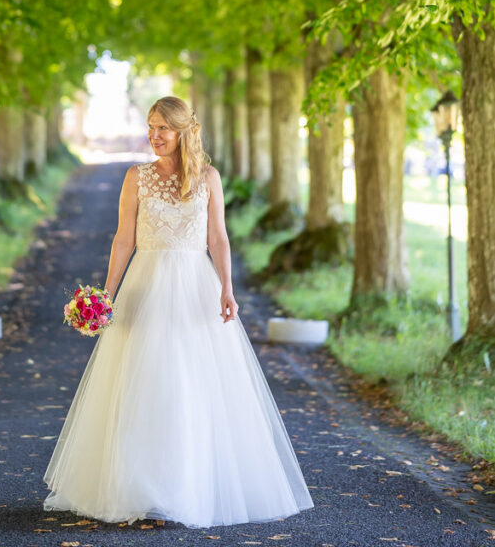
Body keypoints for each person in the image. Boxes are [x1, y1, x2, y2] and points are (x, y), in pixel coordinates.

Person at [42, 95, 314, 528]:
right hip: (146, 288)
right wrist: (105, 296)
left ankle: (184, 488)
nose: (154, 137)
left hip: (194, 289)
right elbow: (123, 240)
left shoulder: (209, 177)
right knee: (144, 384)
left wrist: (227, 287)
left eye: (163, 129)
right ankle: (140, 488)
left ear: (184, 131)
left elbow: (219, 238)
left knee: (191, 385)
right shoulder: (137, 177)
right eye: (150, 128)